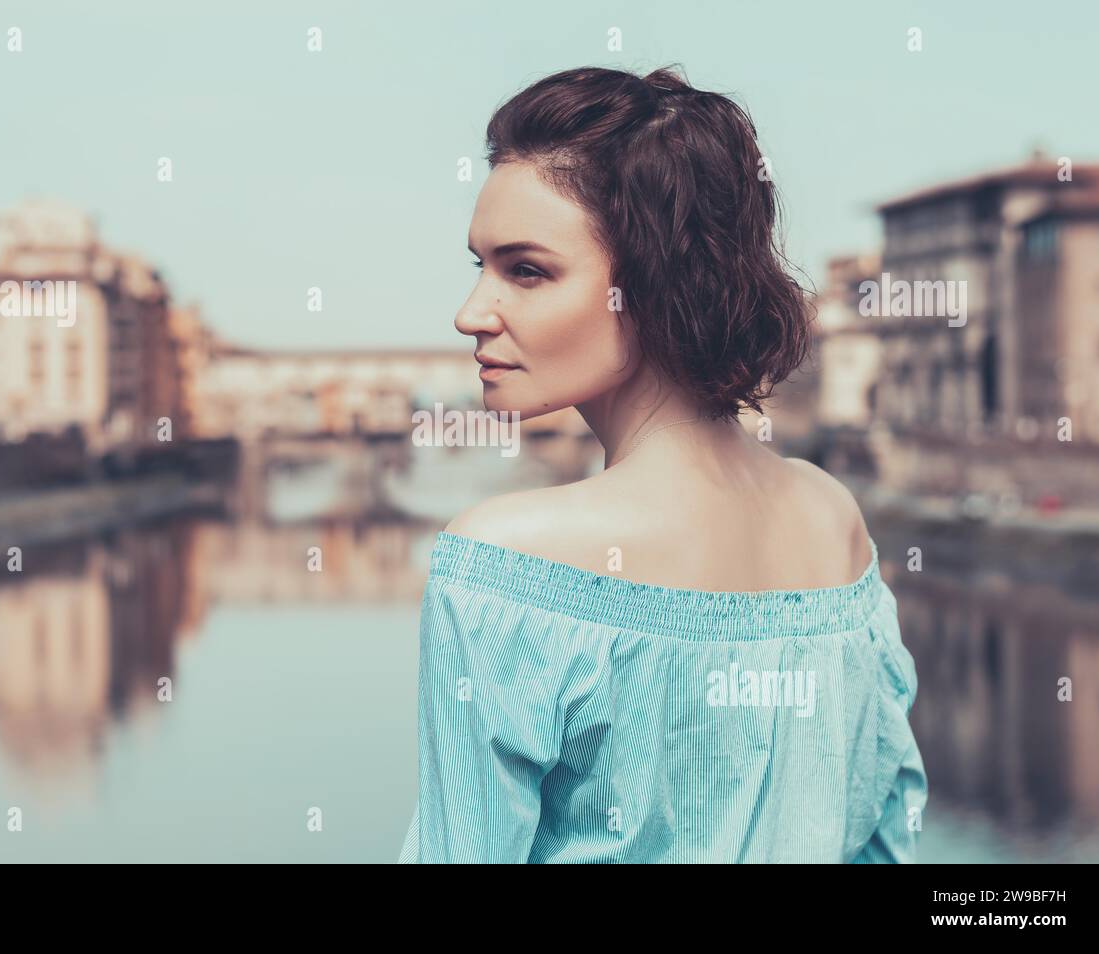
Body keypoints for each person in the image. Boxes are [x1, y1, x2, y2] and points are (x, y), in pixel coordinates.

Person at [397, 65, 927, 862]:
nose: (472, 313)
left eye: (526, 270)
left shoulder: (502, 566)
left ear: (652, 284)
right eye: (481, 266)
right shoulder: (832, 519)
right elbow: (886, 839)